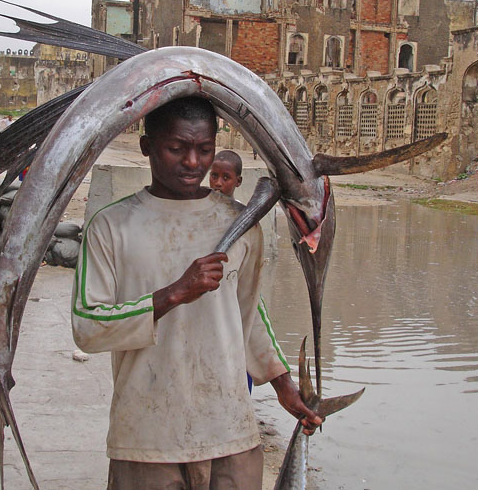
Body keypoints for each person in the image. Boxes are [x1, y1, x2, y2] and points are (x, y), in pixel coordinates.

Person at [72, 97, 321, 489]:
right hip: (146, 438)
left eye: (204, 150)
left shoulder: (241, 224)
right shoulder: (111, 226)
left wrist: (284, 386)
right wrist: (172, 294)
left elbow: (248, 314)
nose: (192, 162)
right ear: (146, 146)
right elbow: (87, 325)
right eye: (176, 148)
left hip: (229, 431)